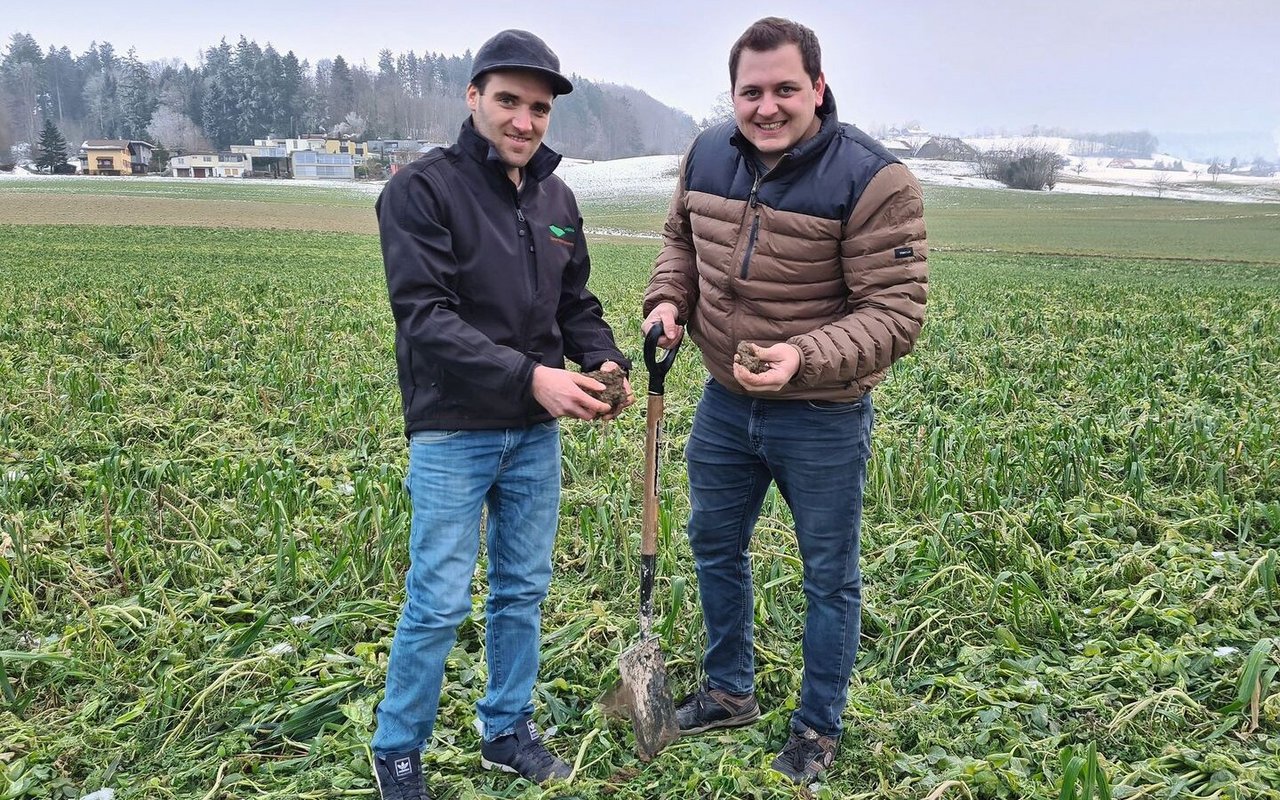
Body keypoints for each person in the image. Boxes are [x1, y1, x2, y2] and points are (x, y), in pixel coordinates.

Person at [641, 16, 928, 784]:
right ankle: (729, 689)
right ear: (734, 94)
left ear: (819, 89)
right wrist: (669, 301)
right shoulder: (705, 153)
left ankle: (816, 730)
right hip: (726, 403)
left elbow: (897, 312)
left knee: (828, 573)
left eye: (785, 91)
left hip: (824, 414)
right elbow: (679, 242)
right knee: (713, 546)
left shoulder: (873, 179)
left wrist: (804, 356)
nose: (766, 108)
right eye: (751, 92)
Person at [371, 29, 632, 800]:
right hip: (454, 429)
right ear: (474, 96)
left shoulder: (556, 198)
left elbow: (574, 300)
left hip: (532, 437)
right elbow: (425, 316)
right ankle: (398, 749)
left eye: (539, 109)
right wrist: (534, 380)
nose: (524, 121)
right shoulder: (423, 190)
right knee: (441, 596)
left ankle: (506, 728)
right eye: (510, 102)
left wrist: (602, 359)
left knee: (522, 589)